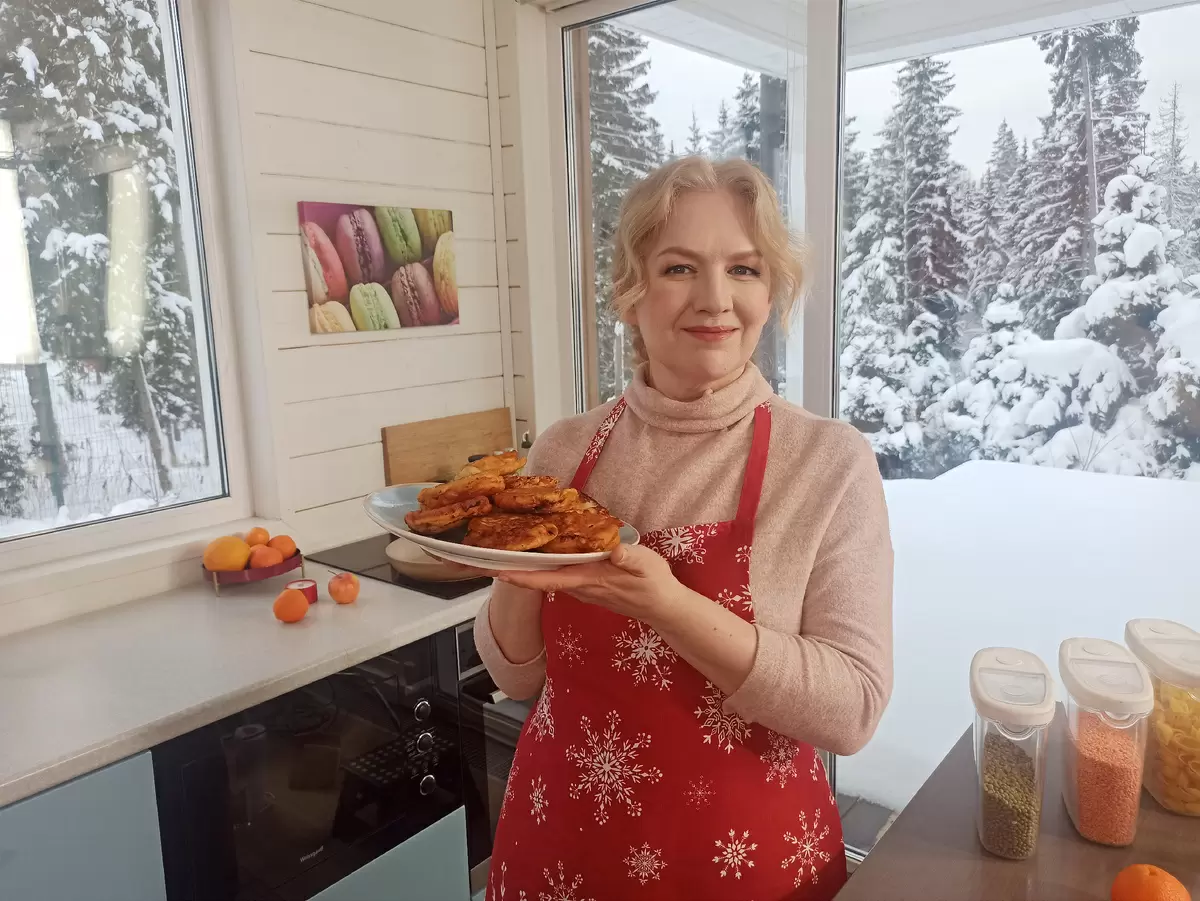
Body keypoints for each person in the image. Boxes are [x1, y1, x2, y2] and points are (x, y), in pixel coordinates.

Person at [475, 156, 893, 901]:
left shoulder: (827, 462)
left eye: (744, 269)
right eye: (679, 268)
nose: (715, 299)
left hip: (745, 867)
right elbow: (516, 676)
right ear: (630, 292)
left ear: (770, 291)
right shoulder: (565, 451)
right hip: (561, 847)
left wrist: (668, 606)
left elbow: (853, 707)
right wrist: (518, 568)